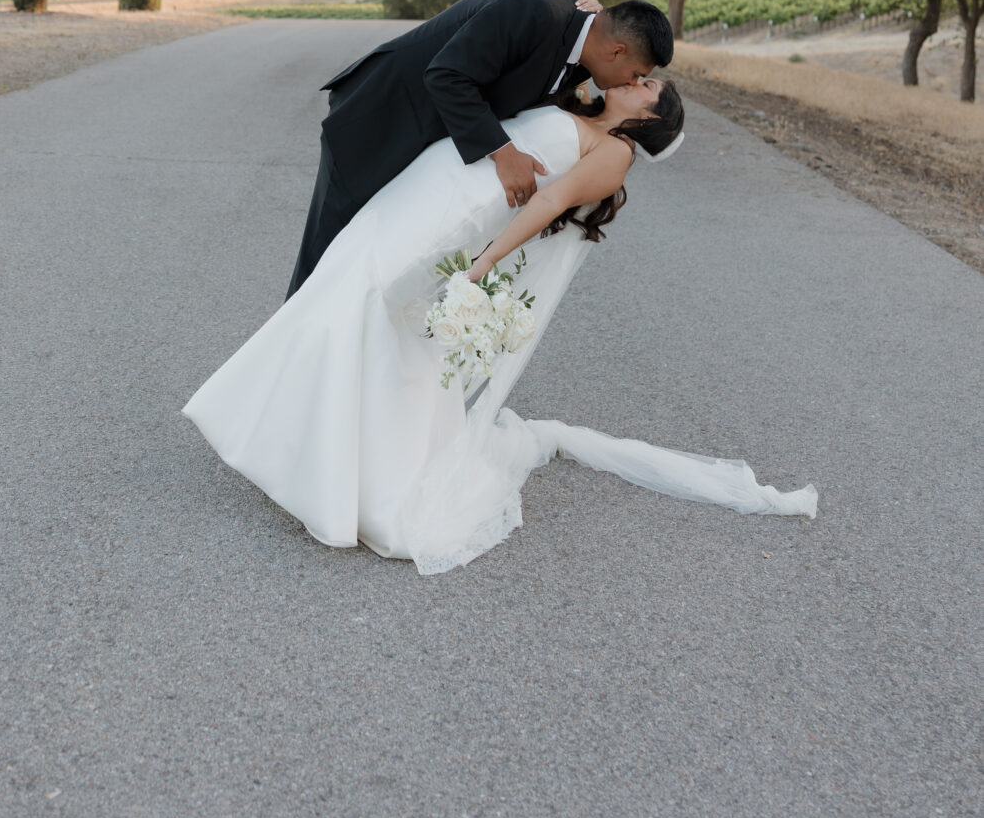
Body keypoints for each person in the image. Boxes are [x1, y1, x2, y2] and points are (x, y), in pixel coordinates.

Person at [183, 71, 817, 575]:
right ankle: (304, 443)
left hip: (455, 223)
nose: (638, 76)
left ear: (650, 116)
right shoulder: (573, 97)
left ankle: (334, 467)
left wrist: (482, 263)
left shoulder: (614, 151)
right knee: (357, 307)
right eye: (642, 71)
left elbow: (548, 203)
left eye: (649, 84)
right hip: (428, 193)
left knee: (371, 312)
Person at [285, 0, 675, 298]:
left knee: (371, 266)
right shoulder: (531, 12)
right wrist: (504, 152)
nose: (632, 81)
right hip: (380, 123)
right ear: (617, 50)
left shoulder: (581, 53)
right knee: (325, 262)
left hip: (426, 156)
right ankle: (287, 363)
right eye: (636, 72)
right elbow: (446, 76)